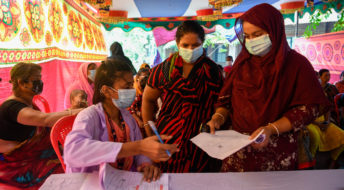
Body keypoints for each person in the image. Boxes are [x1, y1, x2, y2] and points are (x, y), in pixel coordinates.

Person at [207, 3, 329, 172]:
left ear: (274, 31)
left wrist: (271, 129)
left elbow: (309, 108)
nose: (251, 41)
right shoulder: (242, 63)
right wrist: (218, 117)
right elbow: (226, 100)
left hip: (276, 153)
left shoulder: (296, 65)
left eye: (257, 35)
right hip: (236, 153)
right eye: (247, 36)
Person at [63, 59, 179, 182]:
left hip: (123, 181)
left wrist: (145, 165)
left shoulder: (127, 118)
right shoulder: (89, 116)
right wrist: (137, 147)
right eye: (126, 86)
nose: (132, 90)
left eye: (131, 85)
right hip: (91, 183)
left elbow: (140, 152)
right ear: (107, 91)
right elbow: (72, 152)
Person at [142, 20, 224, 173]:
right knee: (168, 180)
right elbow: (147, 99)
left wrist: (217, 118)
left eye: (196, 45)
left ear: (203, 43)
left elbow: (221, 103)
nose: (191, 49)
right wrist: (149, 130)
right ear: (177, 43)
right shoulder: (165, 69)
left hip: (201, 142)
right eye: (185, 45)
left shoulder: (212, 72)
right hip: (168, 138)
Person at [0, 62, 82, 189]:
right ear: (22, 83)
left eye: (40, 79)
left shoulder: (28, 104)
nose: (40, 83)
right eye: (36, 80)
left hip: (32, 158)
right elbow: (44, 120)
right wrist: (77, 112)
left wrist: (71, 112)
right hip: (17, 167)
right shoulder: (11, 107)